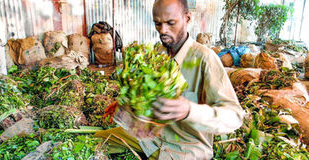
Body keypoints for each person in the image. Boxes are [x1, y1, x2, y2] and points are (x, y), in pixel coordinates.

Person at [99, 0, 245, 159]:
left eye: (170, 23)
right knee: (95, 142)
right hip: (149, 141)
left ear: (187, 19)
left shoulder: (205, 59)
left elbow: (234, 116)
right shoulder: (155, 54)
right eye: (157, 23)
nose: (163, 30)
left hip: (184, 150)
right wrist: (126, 106)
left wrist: (189, 110)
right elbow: (146, 99)